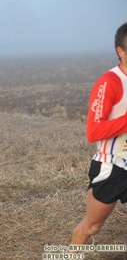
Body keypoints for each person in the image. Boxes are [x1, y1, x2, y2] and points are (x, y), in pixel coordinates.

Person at [70, 22, 127, 248]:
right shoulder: (110, 82)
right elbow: (94, 132)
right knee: (91, 228)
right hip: (112, 166)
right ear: (120, 52)